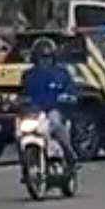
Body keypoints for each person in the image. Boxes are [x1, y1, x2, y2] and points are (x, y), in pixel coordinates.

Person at [21, 37, 78, 170]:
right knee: (21, 129)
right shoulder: (28, 75)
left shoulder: (61, 73)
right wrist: (19, 101)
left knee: (56, 123)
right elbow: (23, 93)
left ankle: (70, 155)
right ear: (35, 58)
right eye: (41, 58)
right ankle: (27, 161)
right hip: (35, 112)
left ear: (54, 57)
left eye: (47, 57)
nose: (45, 61)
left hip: (54, 110)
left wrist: (68, 96)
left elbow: (71, 89)